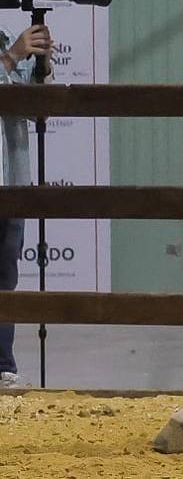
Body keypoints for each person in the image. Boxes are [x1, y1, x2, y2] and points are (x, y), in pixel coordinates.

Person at [0, 23, 52, 389]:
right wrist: (12, 56)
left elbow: (41, 112)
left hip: (12, 178)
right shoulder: (9, 47)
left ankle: (3, 365)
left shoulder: (4, 37)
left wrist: (42, 68)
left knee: (5, 277)